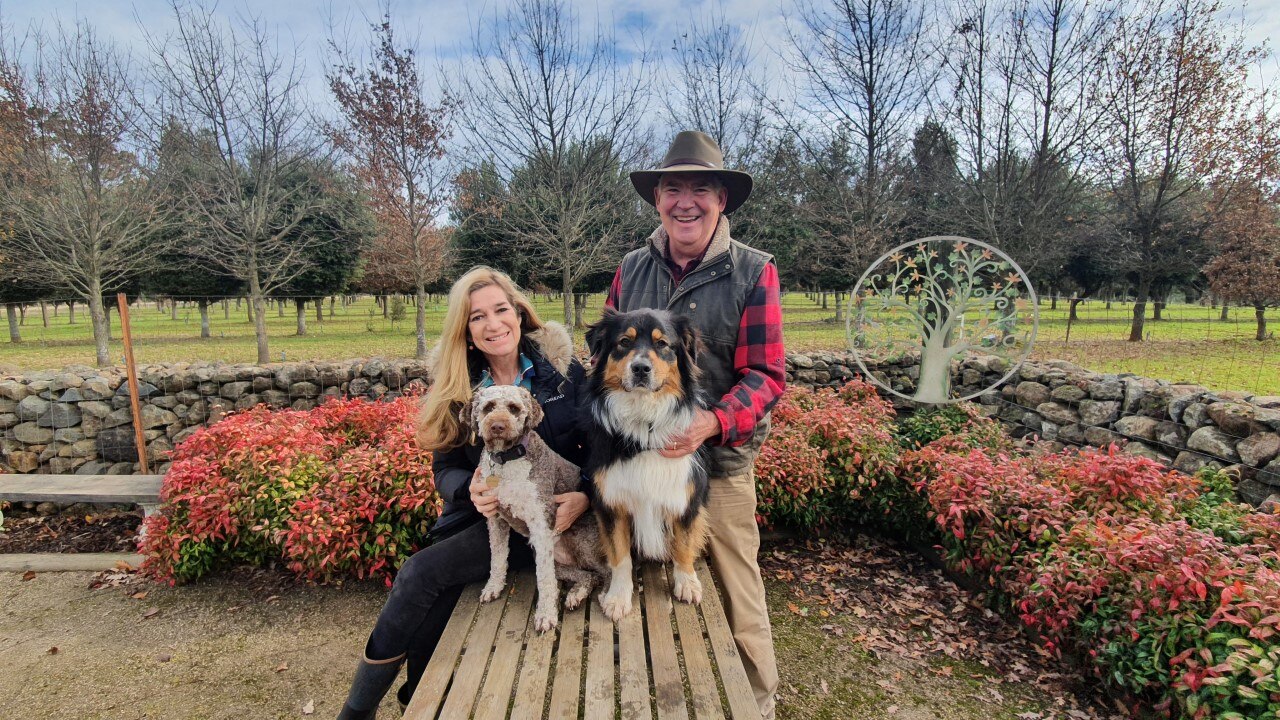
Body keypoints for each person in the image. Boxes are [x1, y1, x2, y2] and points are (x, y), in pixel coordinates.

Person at [337, 266, 590, 719]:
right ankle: (386, 706)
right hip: (490, 520)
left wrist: (586, 494)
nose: (493, 324)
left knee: (425, 580)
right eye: (477, 317)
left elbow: (600, 445)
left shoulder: (564, 372)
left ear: (519, 312)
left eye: (500, 310)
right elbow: (446, 468)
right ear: (466, 330)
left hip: (561, 522)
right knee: (423, 582)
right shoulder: (458, 387)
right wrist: (468, 491)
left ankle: (413, 703)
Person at [606, 130, 786, 719]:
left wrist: (711, 423)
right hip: (631, 460)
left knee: (737, 585)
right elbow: (606, 359)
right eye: (673, 188)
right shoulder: (629, 269)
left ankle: (757, 703)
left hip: (720, 461)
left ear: (722, 200)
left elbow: (766, 375)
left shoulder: (754, 271)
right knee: (638, 588)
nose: (686, 201)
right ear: (657, 198)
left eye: (700, 189)